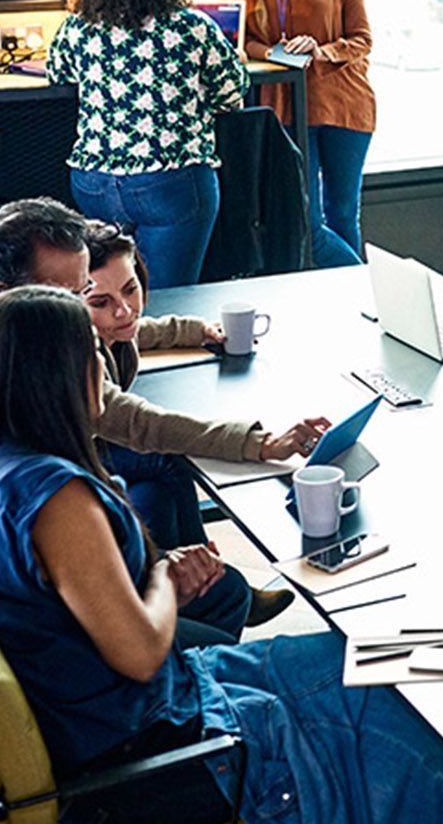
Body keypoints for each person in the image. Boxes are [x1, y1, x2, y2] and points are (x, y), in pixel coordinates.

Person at [0, 286, 443, 823]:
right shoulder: (56, 498)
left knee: (374, 656)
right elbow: (138, 653)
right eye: (92, 350)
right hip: (165, 748)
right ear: (56, 375)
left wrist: (156, 585)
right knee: (398, 705)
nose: (104, 364)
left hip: (138, 711)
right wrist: (162, 578)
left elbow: (78, 615)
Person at [0, 199, 321, 685]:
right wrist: (119, 576)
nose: (90, 325)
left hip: (23, 544)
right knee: (246, 656)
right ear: (1, 294)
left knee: (216, 582)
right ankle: (186, 701)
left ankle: (191, 675)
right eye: (75, 299)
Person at [84, 220, 315, 636]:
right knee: (165, 452)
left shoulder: (108, 323)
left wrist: (195, 330)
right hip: (89, 452)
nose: (123, 310)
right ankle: (212, 573)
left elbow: (138, 329)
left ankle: (202, 569)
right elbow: (140, 422)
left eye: (131, 289)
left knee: (165, 475)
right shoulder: (73, 347)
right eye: (100, 301)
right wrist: (259, 443)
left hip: (101, 445)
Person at [48, 0, 248, 288]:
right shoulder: (191, 27)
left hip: (94, 183)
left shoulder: (77, 27)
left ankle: (115, 351)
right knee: (168, 299)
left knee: (110, 298)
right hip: (171, 180)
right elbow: (232, 95)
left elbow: (59, 73)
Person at [214, 0, 377, 268]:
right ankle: (364, 288)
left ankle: (355, 306)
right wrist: (270, 51)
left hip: (343, 102)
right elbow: (232, 39)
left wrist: (321, 50)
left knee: (343, 213)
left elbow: (362, 38)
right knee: (307, 220)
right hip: (283, 104)